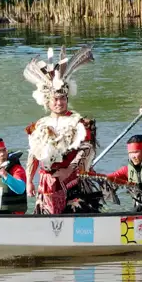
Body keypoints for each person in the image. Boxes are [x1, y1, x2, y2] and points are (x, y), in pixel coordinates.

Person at [23, 46, 103, 215]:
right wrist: (29, 180)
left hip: (72, 179)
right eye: (55, 99)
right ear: (47, 101)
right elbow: (33, 154)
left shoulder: (79, 122)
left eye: (62, 99)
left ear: (67, 98)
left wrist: (69, 170)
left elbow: (87, 150)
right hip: (46, 182)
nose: (59, 103)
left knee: (77, 220)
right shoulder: (39, 125)